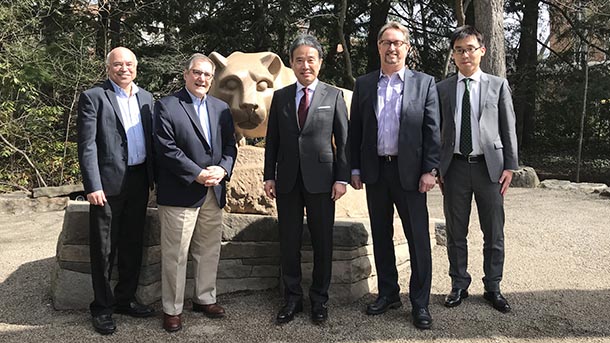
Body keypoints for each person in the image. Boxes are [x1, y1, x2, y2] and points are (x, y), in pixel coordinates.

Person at [349, 21, 440, 330]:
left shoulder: (425, 83)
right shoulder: (364, 84)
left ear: (407, 47)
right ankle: (388, 293)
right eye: (386, 42)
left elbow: (432, 131)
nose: (392, 48)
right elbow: (356, 131)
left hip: (412, 175)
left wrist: (430, 169)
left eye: (398, 42)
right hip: (376, 172)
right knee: (382, 235)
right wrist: (355, 168)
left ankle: (420, 303)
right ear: (378, 47)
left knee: (418, 239)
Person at [263, 34, 349, 325]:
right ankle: (292, 298)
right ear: (291, 63)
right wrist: (268, 176)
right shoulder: (281, 96)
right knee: (289, 242)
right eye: (299, 59)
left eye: (310, 59)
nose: (305, 65)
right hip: (287, 180)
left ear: (320, 63)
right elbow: (271, 140)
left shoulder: (333, 95)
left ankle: (319, 300)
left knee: (323, 241)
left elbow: (344, 142)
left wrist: (342, 179)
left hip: (323, 181)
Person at [436, 25, 518, 313]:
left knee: (493, 231)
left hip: (490, 169)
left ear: (481, 51)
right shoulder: (442, 88)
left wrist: (511, 165)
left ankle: (493, 286)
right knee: (456, 232)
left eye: (470, 48)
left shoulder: (497, 85)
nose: (464, 54)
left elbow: (509, 128)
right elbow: (437, 131)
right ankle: (459, 284)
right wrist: (437, 167)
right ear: (454, 55)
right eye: (459, 50)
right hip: (455, 168)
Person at [154, 53, 237, 332]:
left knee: (209, 250)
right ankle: (172, 309)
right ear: (186, 74)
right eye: (197, 73)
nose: (202, 79)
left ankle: (204, 298)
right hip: (181, 193)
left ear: (212, 80)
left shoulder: (221, 108)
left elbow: (230, 147)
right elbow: (166, 149)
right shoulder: (166, 106)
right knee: (176, 254)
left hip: (213, 192)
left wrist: (222, 170)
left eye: (207, 75)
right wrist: (197, 173)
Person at [77, 47, 156, 335]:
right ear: (108, 67)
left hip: (138, 180)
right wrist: (92, 185)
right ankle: (102, 308)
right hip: (106, 185)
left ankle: (125, 300)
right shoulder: (94, 97)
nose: (124, 69)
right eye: (118, 64)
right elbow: (86, 145)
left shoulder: (147, 98)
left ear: (136, 67)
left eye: (129, 64)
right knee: (104, 248)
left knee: (133, 243)